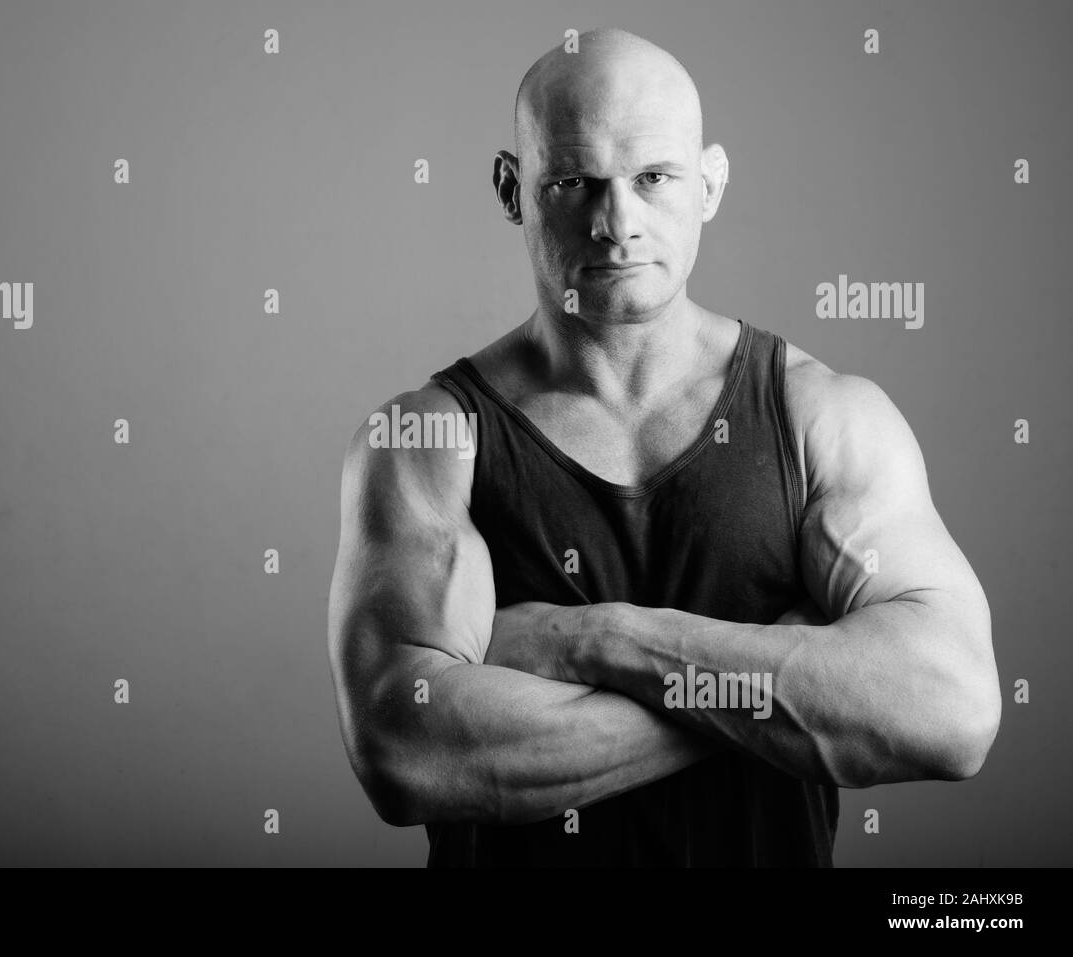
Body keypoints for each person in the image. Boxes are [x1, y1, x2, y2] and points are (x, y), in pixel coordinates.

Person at [327, 27, 1001, 866]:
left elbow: (952, 710)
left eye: (654, 178)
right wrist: (793, 684)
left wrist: (590, 641)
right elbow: (406, 753)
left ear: (710, 184)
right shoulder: (431, 440)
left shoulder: (823, 415)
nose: (617, 223)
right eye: (574, 181)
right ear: (513, 188)